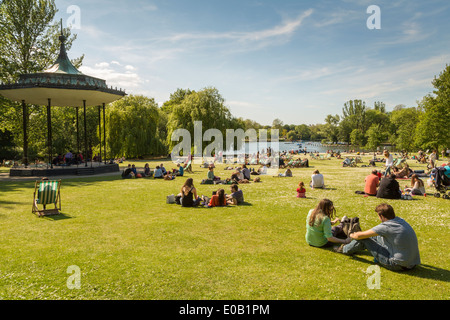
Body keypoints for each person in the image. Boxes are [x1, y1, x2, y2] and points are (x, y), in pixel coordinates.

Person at [341, 203, 420, 271]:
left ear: (381, 216)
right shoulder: (401, 220)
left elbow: (358, 236)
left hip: (397, 265)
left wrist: (350, 233)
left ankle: (343, 249)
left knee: (363, 239)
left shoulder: (386, 226)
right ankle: (352, 247)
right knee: (372, 237)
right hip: (412, 263)